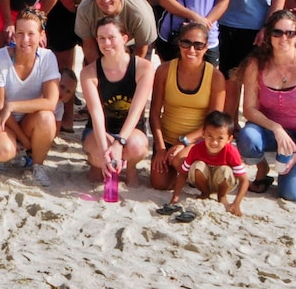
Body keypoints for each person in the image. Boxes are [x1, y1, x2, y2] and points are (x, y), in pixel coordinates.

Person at [236, 9, 296, 202]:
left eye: (290, 33)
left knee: (292, 194)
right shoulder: (256, 64)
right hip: (269, 131)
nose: (283, 38)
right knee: (247, 138)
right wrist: (276, 128)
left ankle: (295, 171)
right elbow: (249, 109)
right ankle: (263, 168)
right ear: (269, 35)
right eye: (277, 32)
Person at [0, 9, 63, 186]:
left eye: (31, 34)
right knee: (4, 152)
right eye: (20, 34)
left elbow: (51, 101)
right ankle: (10, 154)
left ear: (41, 35)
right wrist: (26, 141)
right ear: (14, 35)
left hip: (27, 118)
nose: (25, 40)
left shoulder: (48, 58)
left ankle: (37, 165)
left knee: (47, 117)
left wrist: (12, 105)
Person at [79, 15, 156, 188]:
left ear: (124, 38)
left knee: (136, 146)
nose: (107, 43)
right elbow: (96, 112)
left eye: (112, 38)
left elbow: (136, 110)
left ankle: (131, 169)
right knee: (101, 154)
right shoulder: (89, 72)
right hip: (98, 129)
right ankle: (96, 164)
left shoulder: (144, 68)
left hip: (131, 130)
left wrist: (120, 142)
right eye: (101, 39)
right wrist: (105, 146)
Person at [150, 20, 224, 188]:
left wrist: (184, 142)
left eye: (198, 45)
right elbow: (154, 113)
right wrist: (161, 148)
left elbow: (215, 123)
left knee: (179, 160)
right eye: (186, 43)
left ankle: (200, 169)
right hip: (167, 139)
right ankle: (191, 172)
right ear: (179, 44)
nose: (191, 50)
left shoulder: (215, 77)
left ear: (206, 47)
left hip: (196, 140)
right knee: (159, 184)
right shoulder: (164, 70)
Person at [164, 112, 249, 219]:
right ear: (203, 134)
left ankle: (222, 196)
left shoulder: (231, 152)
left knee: (225, 170)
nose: (214, 142)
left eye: (220, 138)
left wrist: (236, 203)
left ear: (229, 139)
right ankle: (205, 193)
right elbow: (182, 173)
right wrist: (175, 198)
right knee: (197, 166)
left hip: (223, 181)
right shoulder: (196, 149)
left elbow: (244, 180)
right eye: (210, 136)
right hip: (203, 180)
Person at [71, 0, 158, 66]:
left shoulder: (139, 13)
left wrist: (129, 73)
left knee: (138, 73)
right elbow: (89, 46)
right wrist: (100, 72)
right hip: (102, 41)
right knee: (92, 71)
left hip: (135, 42)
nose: (105, 0)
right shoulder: (86, 8)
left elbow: (141, 49)